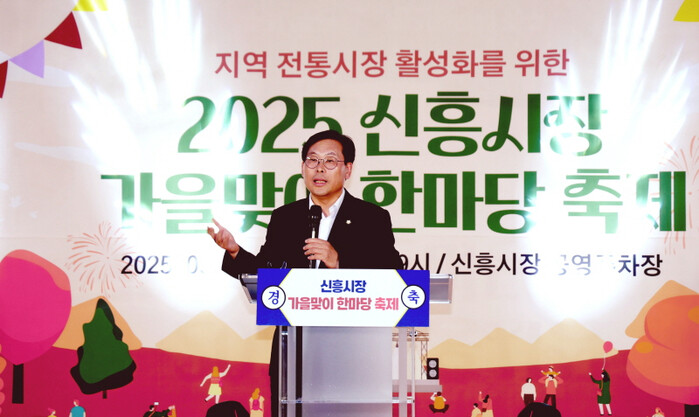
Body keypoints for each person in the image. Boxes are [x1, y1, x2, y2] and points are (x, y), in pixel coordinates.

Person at [208, 129, 403, 417]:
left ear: (348, 170)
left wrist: (339, 262)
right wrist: (235, 251)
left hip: (353, 351)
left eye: (330, 161)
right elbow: (267, 274)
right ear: (302, 167)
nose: (319, 168)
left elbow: (393, 276)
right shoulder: (285, 217)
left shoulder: (371, 218)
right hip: (294, 350)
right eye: (312, 160)